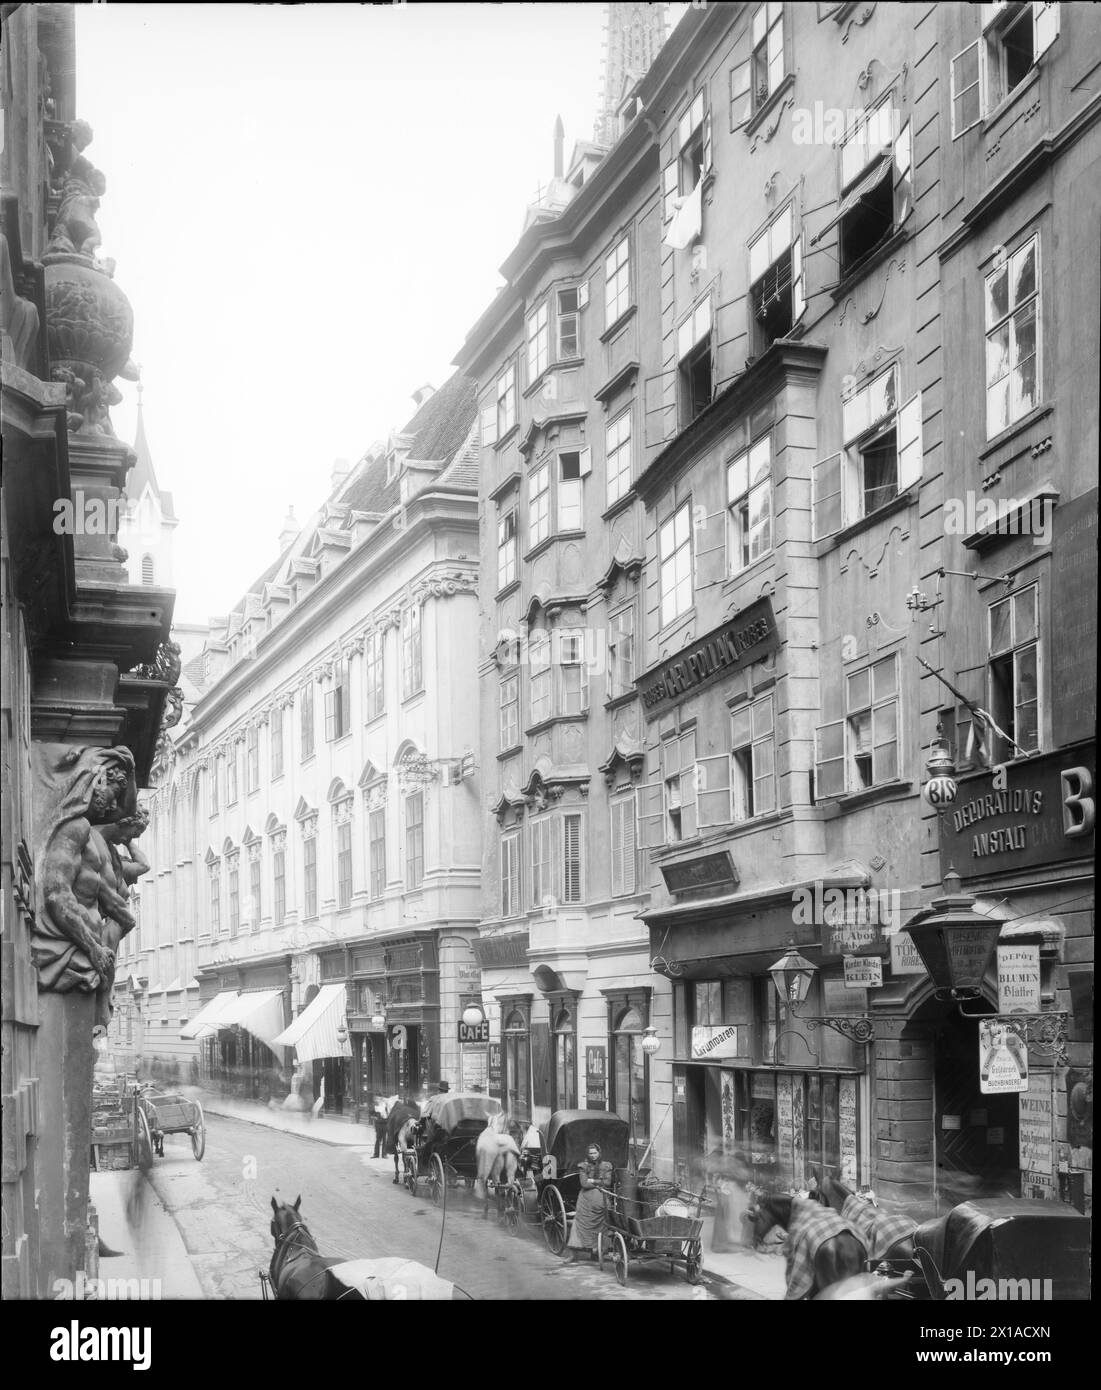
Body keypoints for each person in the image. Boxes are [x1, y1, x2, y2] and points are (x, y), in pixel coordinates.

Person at [565, 1143, 614, 1261]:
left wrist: (592, 1180)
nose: (593, 1156)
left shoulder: (606, 1165)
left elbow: (608, 1183)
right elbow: (584, 1184)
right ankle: (573, 1254)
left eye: (595, 1153)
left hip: (601, 1201)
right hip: (585, 1202)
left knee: (602, 1227)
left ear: (599, 1153)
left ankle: (597, 1252)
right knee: (579, 1224)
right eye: (590, 1153)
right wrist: (599, 1181)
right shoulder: (584, 1166)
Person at [710, 1150, 754, 1253]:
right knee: (736, 1216)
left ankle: (736, 1239)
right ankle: (736, 1240)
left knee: (735, 1216)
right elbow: (743, 1179)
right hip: (735, 1193)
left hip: (734, 1193)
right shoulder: (736, 1168)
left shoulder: (732, 1167)